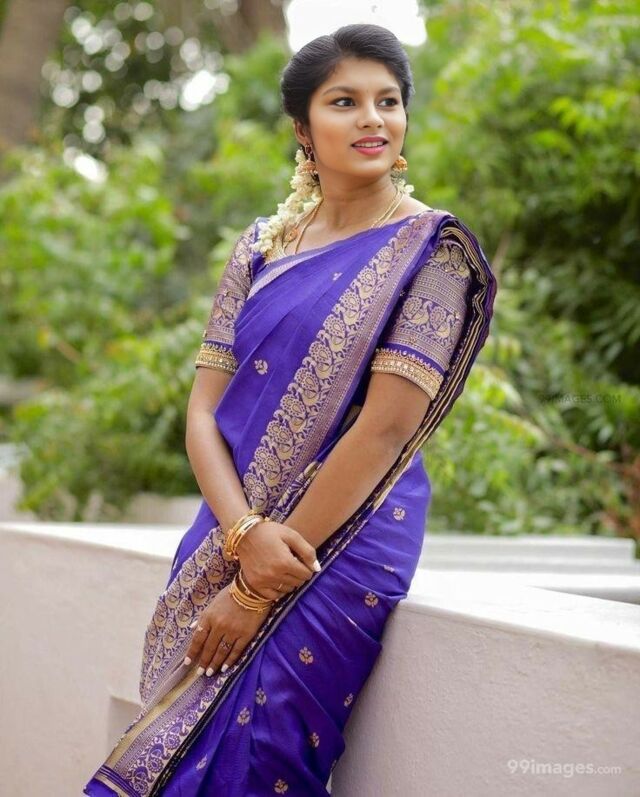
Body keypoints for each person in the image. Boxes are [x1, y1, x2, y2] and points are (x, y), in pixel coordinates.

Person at [84, 22, 497, 797]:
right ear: (303, 129)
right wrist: (243, 535)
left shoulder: (433, 251)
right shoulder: (259, 247)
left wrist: (257, 585)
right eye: (345, 102)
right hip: (228, 531)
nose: (373, 118)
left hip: (340, 541)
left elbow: (386, 427)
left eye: (389, 101)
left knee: (261, 758)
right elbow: (203, 414)